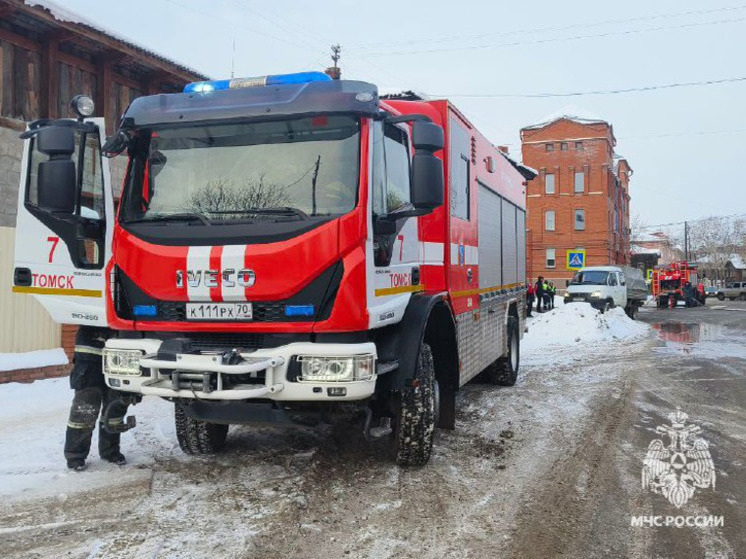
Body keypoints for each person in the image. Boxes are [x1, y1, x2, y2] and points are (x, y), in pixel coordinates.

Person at [64, 326, 127, 471]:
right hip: (89, 358)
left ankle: (110, 452)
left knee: (115, 408)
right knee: (85, 409)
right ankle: (75, 457)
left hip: (121, 356)